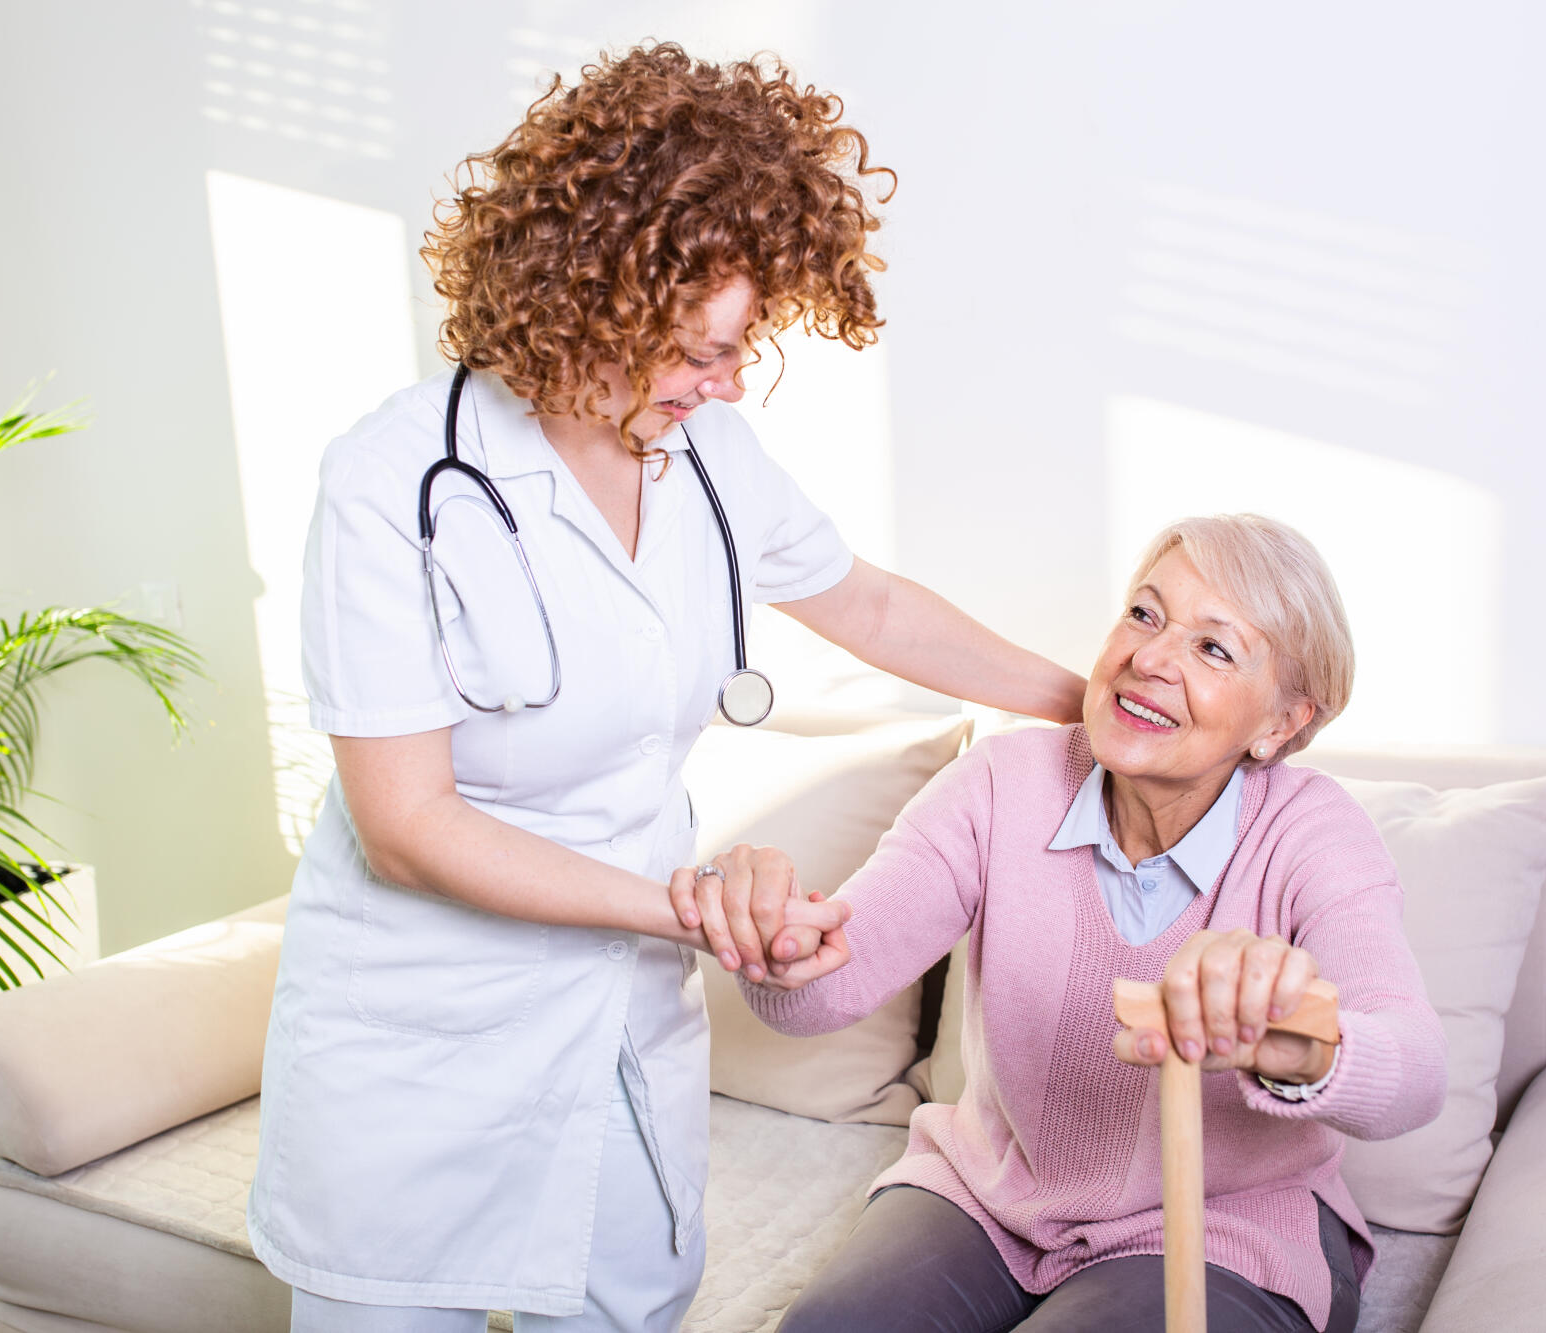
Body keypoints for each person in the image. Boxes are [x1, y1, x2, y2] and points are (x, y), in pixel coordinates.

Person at [244, 42, 1085, 1333]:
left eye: (743, 349)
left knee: (626, 1307)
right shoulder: (397, 485)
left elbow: (866, 604)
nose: (729, 382)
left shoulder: (710, 456)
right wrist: (681, 910)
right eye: (701, 349)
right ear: (589, 300)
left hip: (620, 1018)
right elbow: (409, 829)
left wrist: (1093, 703)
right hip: (422, 1034)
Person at [679, 514, 1448, 1332]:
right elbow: (828, 988)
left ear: (1282, 723)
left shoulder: (1312, 832)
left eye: (1214, 648)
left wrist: (1300, 1047)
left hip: (1227, 1224)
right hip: (988, 1195)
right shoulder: (1001, 783)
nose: (1149, 657)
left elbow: (1416, 1069)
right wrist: (774, 945)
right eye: (1145, 615)